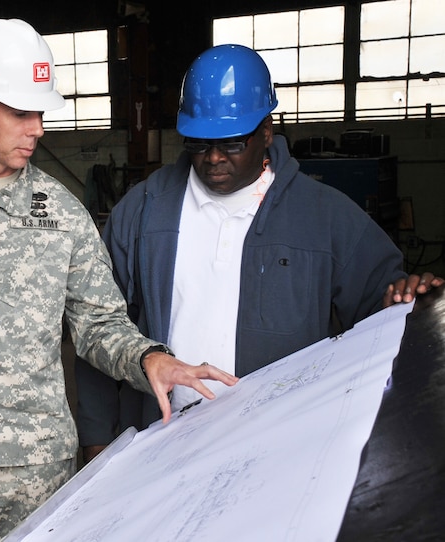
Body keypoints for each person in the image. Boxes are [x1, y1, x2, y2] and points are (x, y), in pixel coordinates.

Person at [0, 19, 238, 542]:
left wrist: (149, 358)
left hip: (29, 463)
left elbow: (97, 322)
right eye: (21, 112)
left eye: (39, 112)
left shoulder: (61, 214)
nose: (37, 128)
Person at [74, 43, 445, 463]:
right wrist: (96, 441)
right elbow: (99, 327)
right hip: (159, 447)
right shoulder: (142, 212)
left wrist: (403, 297)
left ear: (266, 131)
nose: (213, 157)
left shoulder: (325, 216)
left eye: (232, 143)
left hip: (279, 454)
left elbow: (383, 311)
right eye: (199, 143)